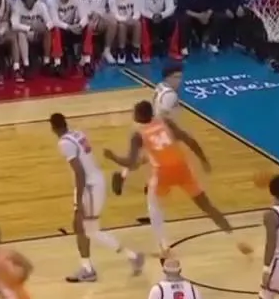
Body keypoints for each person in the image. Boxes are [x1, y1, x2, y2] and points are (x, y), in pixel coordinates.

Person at [104, 100, 252, 257]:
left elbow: (130, 162)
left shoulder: (138, 135)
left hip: (162, 173)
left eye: (134, 112)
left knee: (153, 206)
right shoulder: (165, 122)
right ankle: (236, 238)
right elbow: (189, 140)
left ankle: (164, 247)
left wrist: (113, 157)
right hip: (182, 168)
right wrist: (204, 160)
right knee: (207, 206)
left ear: (139, 116)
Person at [50, 112, 145, 284]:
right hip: (92, 183)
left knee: (88, 230)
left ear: (53, 128)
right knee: (82, 228)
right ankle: (90, 267)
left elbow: (79, 172)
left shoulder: (64, 143)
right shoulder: (78, 134)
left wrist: (79, 201)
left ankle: (128, 257)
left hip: (90, 186)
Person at [117, 63, 183, 188]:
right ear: (169, 77)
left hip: (148, 124)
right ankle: (150, 184)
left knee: (143, 157)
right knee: (161, 159)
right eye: (176, 77)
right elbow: (164, 116)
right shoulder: (170, 95)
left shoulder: (161, 85)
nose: (179, 80)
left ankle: (123, 175)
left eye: (180, 77)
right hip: (159, 130)